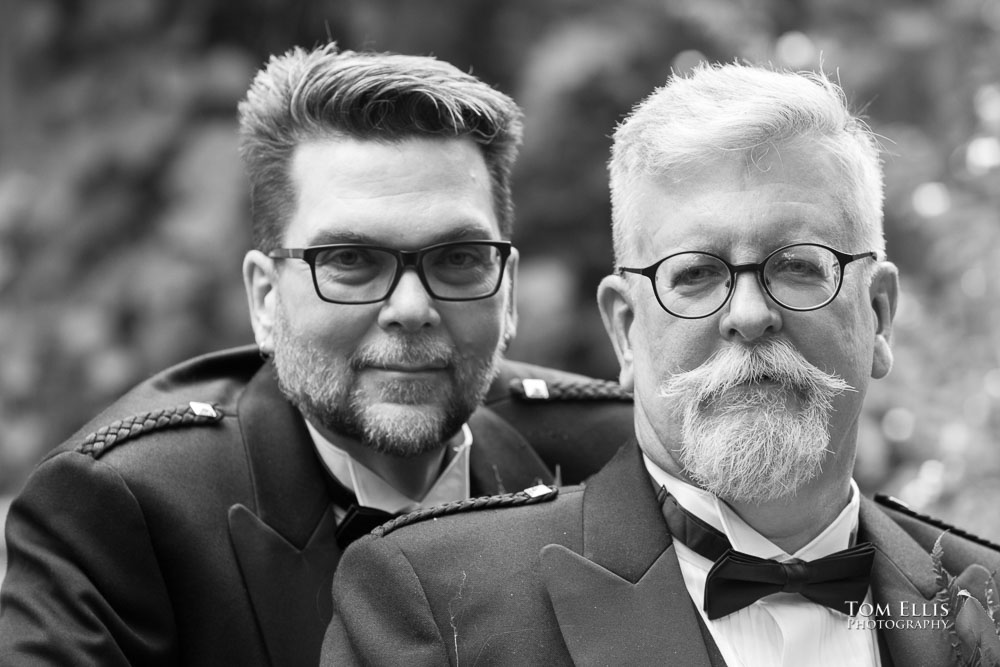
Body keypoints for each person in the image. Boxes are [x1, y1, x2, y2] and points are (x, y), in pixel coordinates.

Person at [322, 62, 1000, 667]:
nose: (749, 314)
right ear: (625, 328)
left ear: (879, 313)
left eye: (797, 265)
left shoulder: (986, 600)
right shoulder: (437, 608)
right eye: (697, 273)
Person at [0, 44, 634, 666]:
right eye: (351, 261)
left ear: (510, 290)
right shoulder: (125, 508)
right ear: (266, 298)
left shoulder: (616, 461)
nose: (411, 309)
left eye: (459, 259)